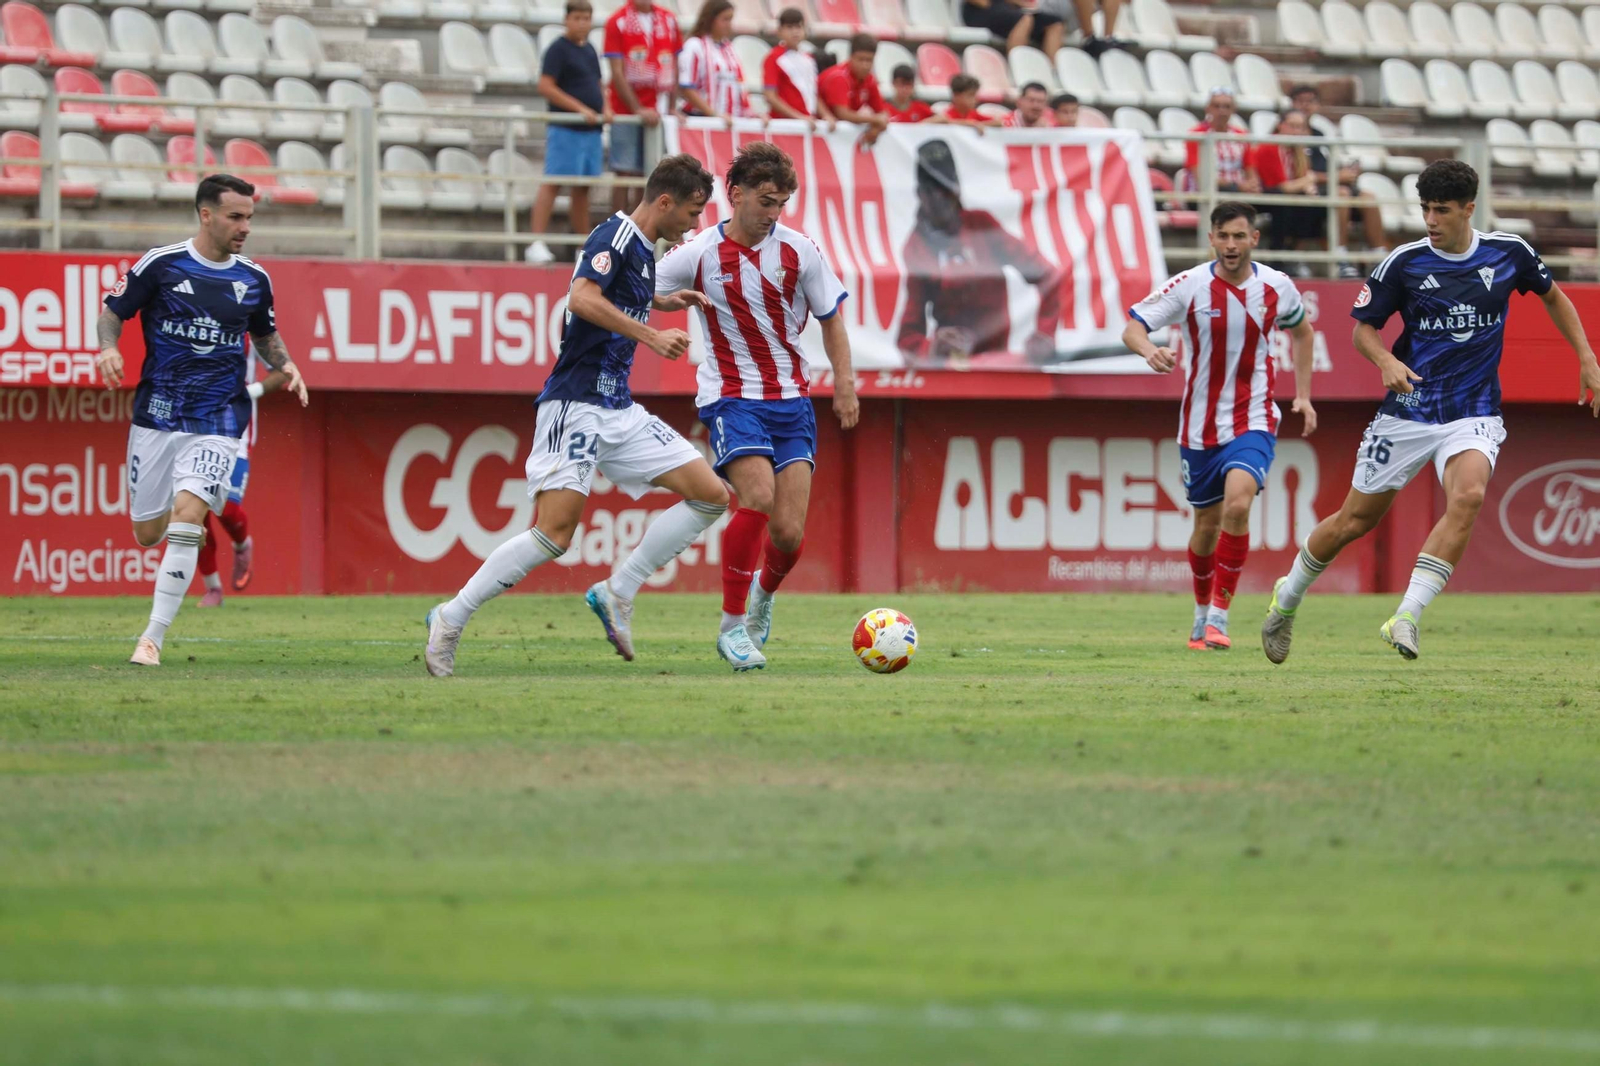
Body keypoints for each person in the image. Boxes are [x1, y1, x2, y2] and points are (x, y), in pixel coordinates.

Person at [1262, 159, 1600, 663]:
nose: (1430, 220)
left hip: (1474, 410)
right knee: (1354, 521)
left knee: (1468, 497)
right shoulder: (1404, 263)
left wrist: (1587, 359)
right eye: (1424, 209)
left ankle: (1406, 616)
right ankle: (1287, 598)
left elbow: (1555, 298)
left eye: (1441, 210)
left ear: (1469, 209)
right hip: (1409, 411)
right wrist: (1386, 361)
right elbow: (1362, 330)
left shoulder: (1510, 254)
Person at [424, 156, 728, 677]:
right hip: (576, 404)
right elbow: (582, 298)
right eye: (692, 211)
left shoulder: (644, 250)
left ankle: (618, 590)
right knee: (554, 535)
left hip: (618, 407)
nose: (694, 224)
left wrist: (662, 301)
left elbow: (617, 298)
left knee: (711, 494)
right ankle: (451, 617)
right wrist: (652, 335)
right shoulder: (612, 237)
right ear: (664, 202)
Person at [653, 143, 860, 673]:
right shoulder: (699, 251)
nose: (773, 214)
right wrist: (667, 305)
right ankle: (730, 627)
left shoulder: (799, 251)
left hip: (791, 400)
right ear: (736, 193)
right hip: (730, 396)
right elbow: (645, 285)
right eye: (766, 201)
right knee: (758, 497)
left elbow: (831, 318)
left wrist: (844, 382)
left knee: (788, 534)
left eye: (782, 204)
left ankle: (763, 598)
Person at [95, 174, 309, 666]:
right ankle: (176, 517)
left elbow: (265, 336)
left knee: (191, 515)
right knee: (147, 533)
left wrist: (287, 364)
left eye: (250, 218)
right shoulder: (161, 264)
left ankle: (152, 638)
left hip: (218, 415)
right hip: (158, 415)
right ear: (206, 215)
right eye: (236, 217)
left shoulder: (254, 279)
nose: (245, 227)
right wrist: (108, 348)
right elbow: (113, 311)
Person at [1123, 202, 1316, 650]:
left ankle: (1220, 618)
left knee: (1237, 505)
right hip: (1199, 427)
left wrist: (1302, 395)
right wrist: (1148, 351)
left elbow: (1302, 332)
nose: (1231, 245)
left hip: (1254, 417)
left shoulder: (1276, 287)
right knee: (1206, 525)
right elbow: (1133, 327)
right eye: (1223, 236)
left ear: (1254, 239)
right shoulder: (1189, 286)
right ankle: (1199, 613)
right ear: (1211, 238)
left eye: (1239, 236)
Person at [898, 139, 1060, 367]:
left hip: (998, 360)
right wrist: (932, 347)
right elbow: (908, 334)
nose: (940, 200)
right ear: (919, 194)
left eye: (946, 191)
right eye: (931, 192)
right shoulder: (916, 247)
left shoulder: (981, 225)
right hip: (953, 365)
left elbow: (1048, 276)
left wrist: (1044, 334)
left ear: (956, 190)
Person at [195, 353, 287, 607]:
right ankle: (213, 588)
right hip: (196, 430)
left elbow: (283, 372)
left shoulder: (250, 320)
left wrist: (250, 391)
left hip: (237, 436)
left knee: (228, 507)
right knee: (195, 513)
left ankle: (242, 543)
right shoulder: (195, 320)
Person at [527, 0, 611, 265]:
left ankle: (581, 246)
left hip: (591, 131)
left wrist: (605, 107)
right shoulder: (557, 50)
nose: (582, 23)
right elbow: (545, 86)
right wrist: (579, 108)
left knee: (583, 189)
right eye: (577, 18)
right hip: (566, 128)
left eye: (586, 18)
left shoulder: (589, 51)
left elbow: (598, 83)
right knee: (553, 181)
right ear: (567, 19)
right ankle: (535, 242)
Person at [1289, 82, 1388, 278]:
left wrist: (1344, 174)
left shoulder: (1319, 135)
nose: (1306, 106)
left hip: (1329, 184)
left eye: (1311, 102)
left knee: (1368, 197)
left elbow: (1323, 166)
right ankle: (1340, 257)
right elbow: (1300, 174)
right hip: (1309, 190)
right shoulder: (1286, 134)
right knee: (1341, 194)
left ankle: (1379, 256)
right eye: (1301, 102)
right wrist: (1336, 178)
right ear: (1291, 104)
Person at [603, 0, 682, 213]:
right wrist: (637, 108)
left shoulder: (669, 20)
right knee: (624, 173)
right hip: (625, 111)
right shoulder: (616, 22)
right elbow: (617, 72)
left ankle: (641, 230)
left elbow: (674, 66)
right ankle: (617, 229)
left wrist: (672, 106)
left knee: (650, 174)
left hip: (660, 109)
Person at [1250, 110, 1323, 271]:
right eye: (1292, 126)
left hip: (1283, 194)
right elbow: (1282, 187)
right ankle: (1277, 256)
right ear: (1280, 126)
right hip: (1260, 195)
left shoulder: (1299, 152)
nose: (1296, 132)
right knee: (1282, 201)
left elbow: (1301, 182)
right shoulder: (1269, 147)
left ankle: (1295, 253)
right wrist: (1309, 180)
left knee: (1317, 203)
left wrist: (1309, 185)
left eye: (1301, 127)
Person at [678, 0, 748, 123]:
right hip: (700, 119)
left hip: (728, 120)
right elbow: (687, 87)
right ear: (711, 19)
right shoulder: (694, 46)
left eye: (731, 19)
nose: (729, 24)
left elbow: (739, 85)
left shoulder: (729, 49)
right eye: (725, 19)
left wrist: (750, 113)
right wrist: (713, 114)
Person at [1183, 88, 1260, 195]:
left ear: (1234, 109)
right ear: (1208, 109)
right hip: (1207, 190)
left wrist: (1253, 185)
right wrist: (1237, 186)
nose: (1222, 111)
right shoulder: (1196, 134)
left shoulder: (1241, 135)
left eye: (1227, 107)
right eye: (1216, 106)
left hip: (1238, 190)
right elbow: (1199, 175)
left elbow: (1250, 169)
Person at [816, 34, 889, 145]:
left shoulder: (870, 80)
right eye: (860, 59)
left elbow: (882, 113)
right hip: (819, 134)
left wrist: (876, 129)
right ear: (850, 57)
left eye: (869, 60)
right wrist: (875, 120)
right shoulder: (839, 77)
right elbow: (843, 114)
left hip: (835, 137)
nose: (865, 65)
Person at [762, 8, 827, 125]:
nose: (795, 32)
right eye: (789, 27)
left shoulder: (809, 59)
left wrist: (826, 115)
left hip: (807, 123)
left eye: (798, 27)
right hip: (784, 124)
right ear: (779, 31)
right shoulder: (773, 58)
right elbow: (770, 97)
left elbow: (812, 93)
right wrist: (798, 117)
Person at [959, 0, 1064, 59]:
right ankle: (1017, 63)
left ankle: (1051, 69)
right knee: (1025, 18)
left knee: (1055, 23)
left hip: (1006, 8)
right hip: (980, 11)